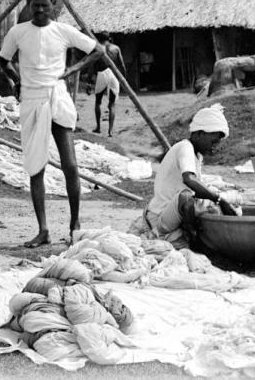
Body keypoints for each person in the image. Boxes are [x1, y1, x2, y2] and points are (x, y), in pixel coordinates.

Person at [0, 0, 103, 247]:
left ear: (53, 5)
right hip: (32, 99)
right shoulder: (18, 32)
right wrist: (17, 80)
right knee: (36, 167)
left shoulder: (63, 31)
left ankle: (74, 223)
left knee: (70, 165)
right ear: (29, 6)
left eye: (46, 5)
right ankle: (43, 229)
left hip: (57, 97)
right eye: (36, 6)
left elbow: (98, 51)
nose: (41, 10)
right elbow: (3, 61)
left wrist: (72, 70)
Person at [141, 104, 242, 249]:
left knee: (224, 206)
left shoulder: (196, 155)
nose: (215, 146)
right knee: (188, 197)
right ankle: (193, 239)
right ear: (198, 134)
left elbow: (199, 183)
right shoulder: (185, 147)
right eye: (213, 141)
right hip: (160, 217)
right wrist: (220, 200)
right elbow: (189, 179)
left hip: (172, 214)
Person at [91, 32, 127, 137]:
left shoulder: (97, 48)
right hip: (113, 75)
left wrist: (89, 80)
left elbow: (92, 64)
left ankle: (98, 128)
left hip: (101, 74)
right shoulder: (116, 48)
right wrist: (123, 79)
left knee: (98, 102)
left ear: (99, 39)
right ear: (110, 39)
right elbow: (122, 65)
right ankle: (110, 131)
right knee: (112, 105)